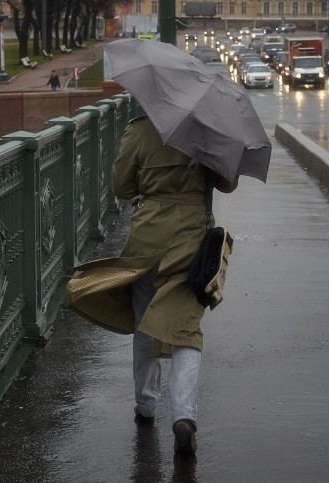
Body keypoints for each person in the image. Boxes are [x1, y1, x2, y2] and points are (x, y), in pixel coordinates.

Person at [72, 115, 238, 456]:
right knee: (186, 329)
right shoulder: (206, 129)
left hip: (146, 239)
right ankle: (183, 418)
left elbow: (121, 187)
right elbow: (227, 183)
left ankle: (146, 405)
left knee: (144, 320)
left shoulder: (141, 128)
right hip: (191, 241)